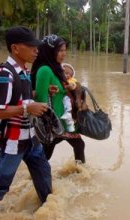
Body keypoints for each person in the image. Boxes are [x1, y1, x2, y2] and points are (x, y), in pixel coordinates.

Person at [0, 26, 52, 219]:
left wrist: (36, 98)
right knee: (1, 183)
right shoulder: (5, 74)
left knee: (44, 174)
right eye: (31, 46)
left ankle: (48, 211)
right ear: (15, 48)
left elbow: (20, 98)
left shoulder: (24, 72)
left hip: (30, 139)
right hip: (12, 143)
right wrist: (28, 109)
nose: (36, 50)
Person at [31, 34, 86, 164]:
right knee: (46, 154)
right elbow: (40, 98)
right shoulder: (45, 70)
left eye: (64, 50)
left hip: (62, 119)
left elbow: (59, 90)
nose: (64, 54)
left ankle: (80, 174)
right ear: (51, 51)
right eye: (60, 50)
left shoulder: (56, 68)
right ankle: (36, 177)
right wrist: (48, 125)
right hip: (54, 122)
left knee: (78, 145)